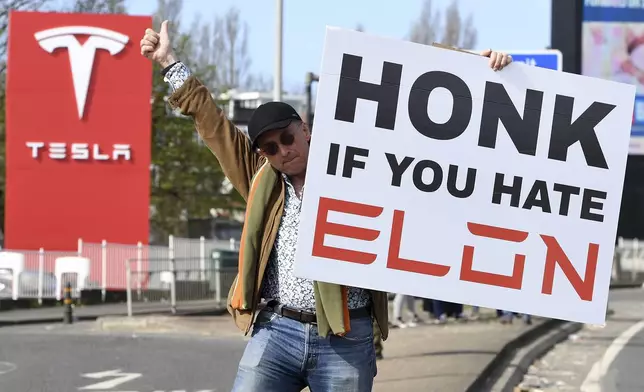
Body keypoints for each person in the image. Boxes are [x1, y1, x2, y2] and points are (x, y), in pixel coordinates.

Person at [140, 20, 513, 392]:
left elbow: (412, 127)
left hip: (347, 335)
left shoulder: (358, 168)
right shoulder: (261, 180)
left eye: (287, 138)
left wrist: (469, 70)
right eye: (270, 148)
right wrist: (169, 62)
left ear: (304, 128)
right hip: (276, 330)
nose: (283, 151)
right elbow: (213, 124)